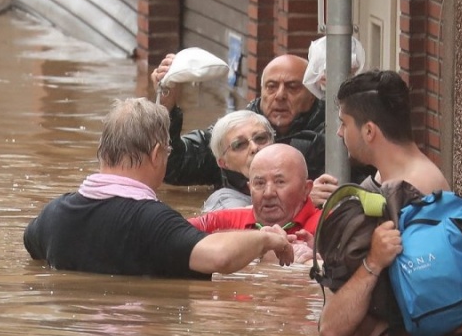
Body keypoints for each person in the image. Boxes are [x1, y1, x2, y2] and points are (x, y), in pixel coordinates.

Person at [317, 70, 462, 336]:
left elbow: (335, 331)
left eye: (344, 123)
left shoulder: (419, 189)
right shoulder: (383, 181)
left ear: (369, 131)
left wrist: (372, 261)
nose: (339, 132)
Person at [23, 98, 294, 278]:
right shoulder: (152, 220)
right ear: (156, 154)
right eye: (167, 151)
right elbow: (220, 257)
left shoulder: (53, 214)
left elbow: (30, 246)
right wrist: (266, 239)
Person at [151, 53, 338, 207]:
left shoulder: (334, 134)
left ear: (313, 94)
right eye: (271, 87)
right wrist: (166, 108)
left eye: (292, 87)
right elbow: (171, 165)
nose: (280, 95)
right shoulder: (235, 130)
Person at [188, 143, 320, 264]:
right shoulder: (222, 223)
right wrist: (254, 247)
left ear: (306, 189)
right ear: (249, 189)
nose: (268, 193)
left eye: (280, 182)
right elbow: (173, 237)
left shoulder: (329, 225)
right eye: (259, 183)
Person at [200, 110, 275, 212]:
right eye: (239, 144)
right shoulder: (223, 204)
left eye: (261, 138)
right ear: (223, 163)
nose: (254, 147)